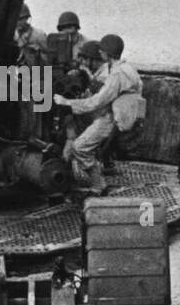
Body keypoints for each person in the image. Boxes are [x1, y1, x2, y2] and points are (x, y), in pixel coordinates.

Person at [53, 33, 146, 196]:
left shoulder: (117, 75)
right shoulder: (124, 68)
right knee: (81, 132)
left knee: (79, 147)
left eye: (102, 51)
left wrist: (66, 103)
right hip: (119, 113)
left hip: (111, 117)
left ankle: (98, 184)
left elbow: (97, 102)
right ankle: (95, 171)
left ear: (106, 54)